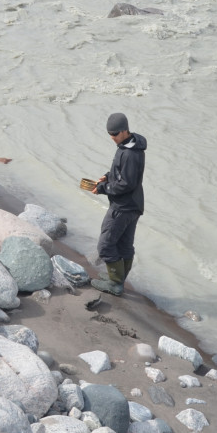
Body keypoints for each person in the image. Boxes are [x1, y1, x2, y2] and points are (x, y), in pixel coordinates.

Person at [90, 112, 147, 296]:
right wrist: (108, 175)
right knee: (124, 245)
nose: (112, 138)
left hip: (123, 207)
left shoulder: (129, 153)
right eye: (110, 134)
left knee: (105, 246)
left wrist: (103, 188)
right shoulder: (130, 144)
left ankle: (115, 283)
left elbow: (126, 184)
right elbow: (122, 173)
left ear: (124, 131)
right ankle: (118, 279)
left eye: (114, 134)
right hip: (134, 205)